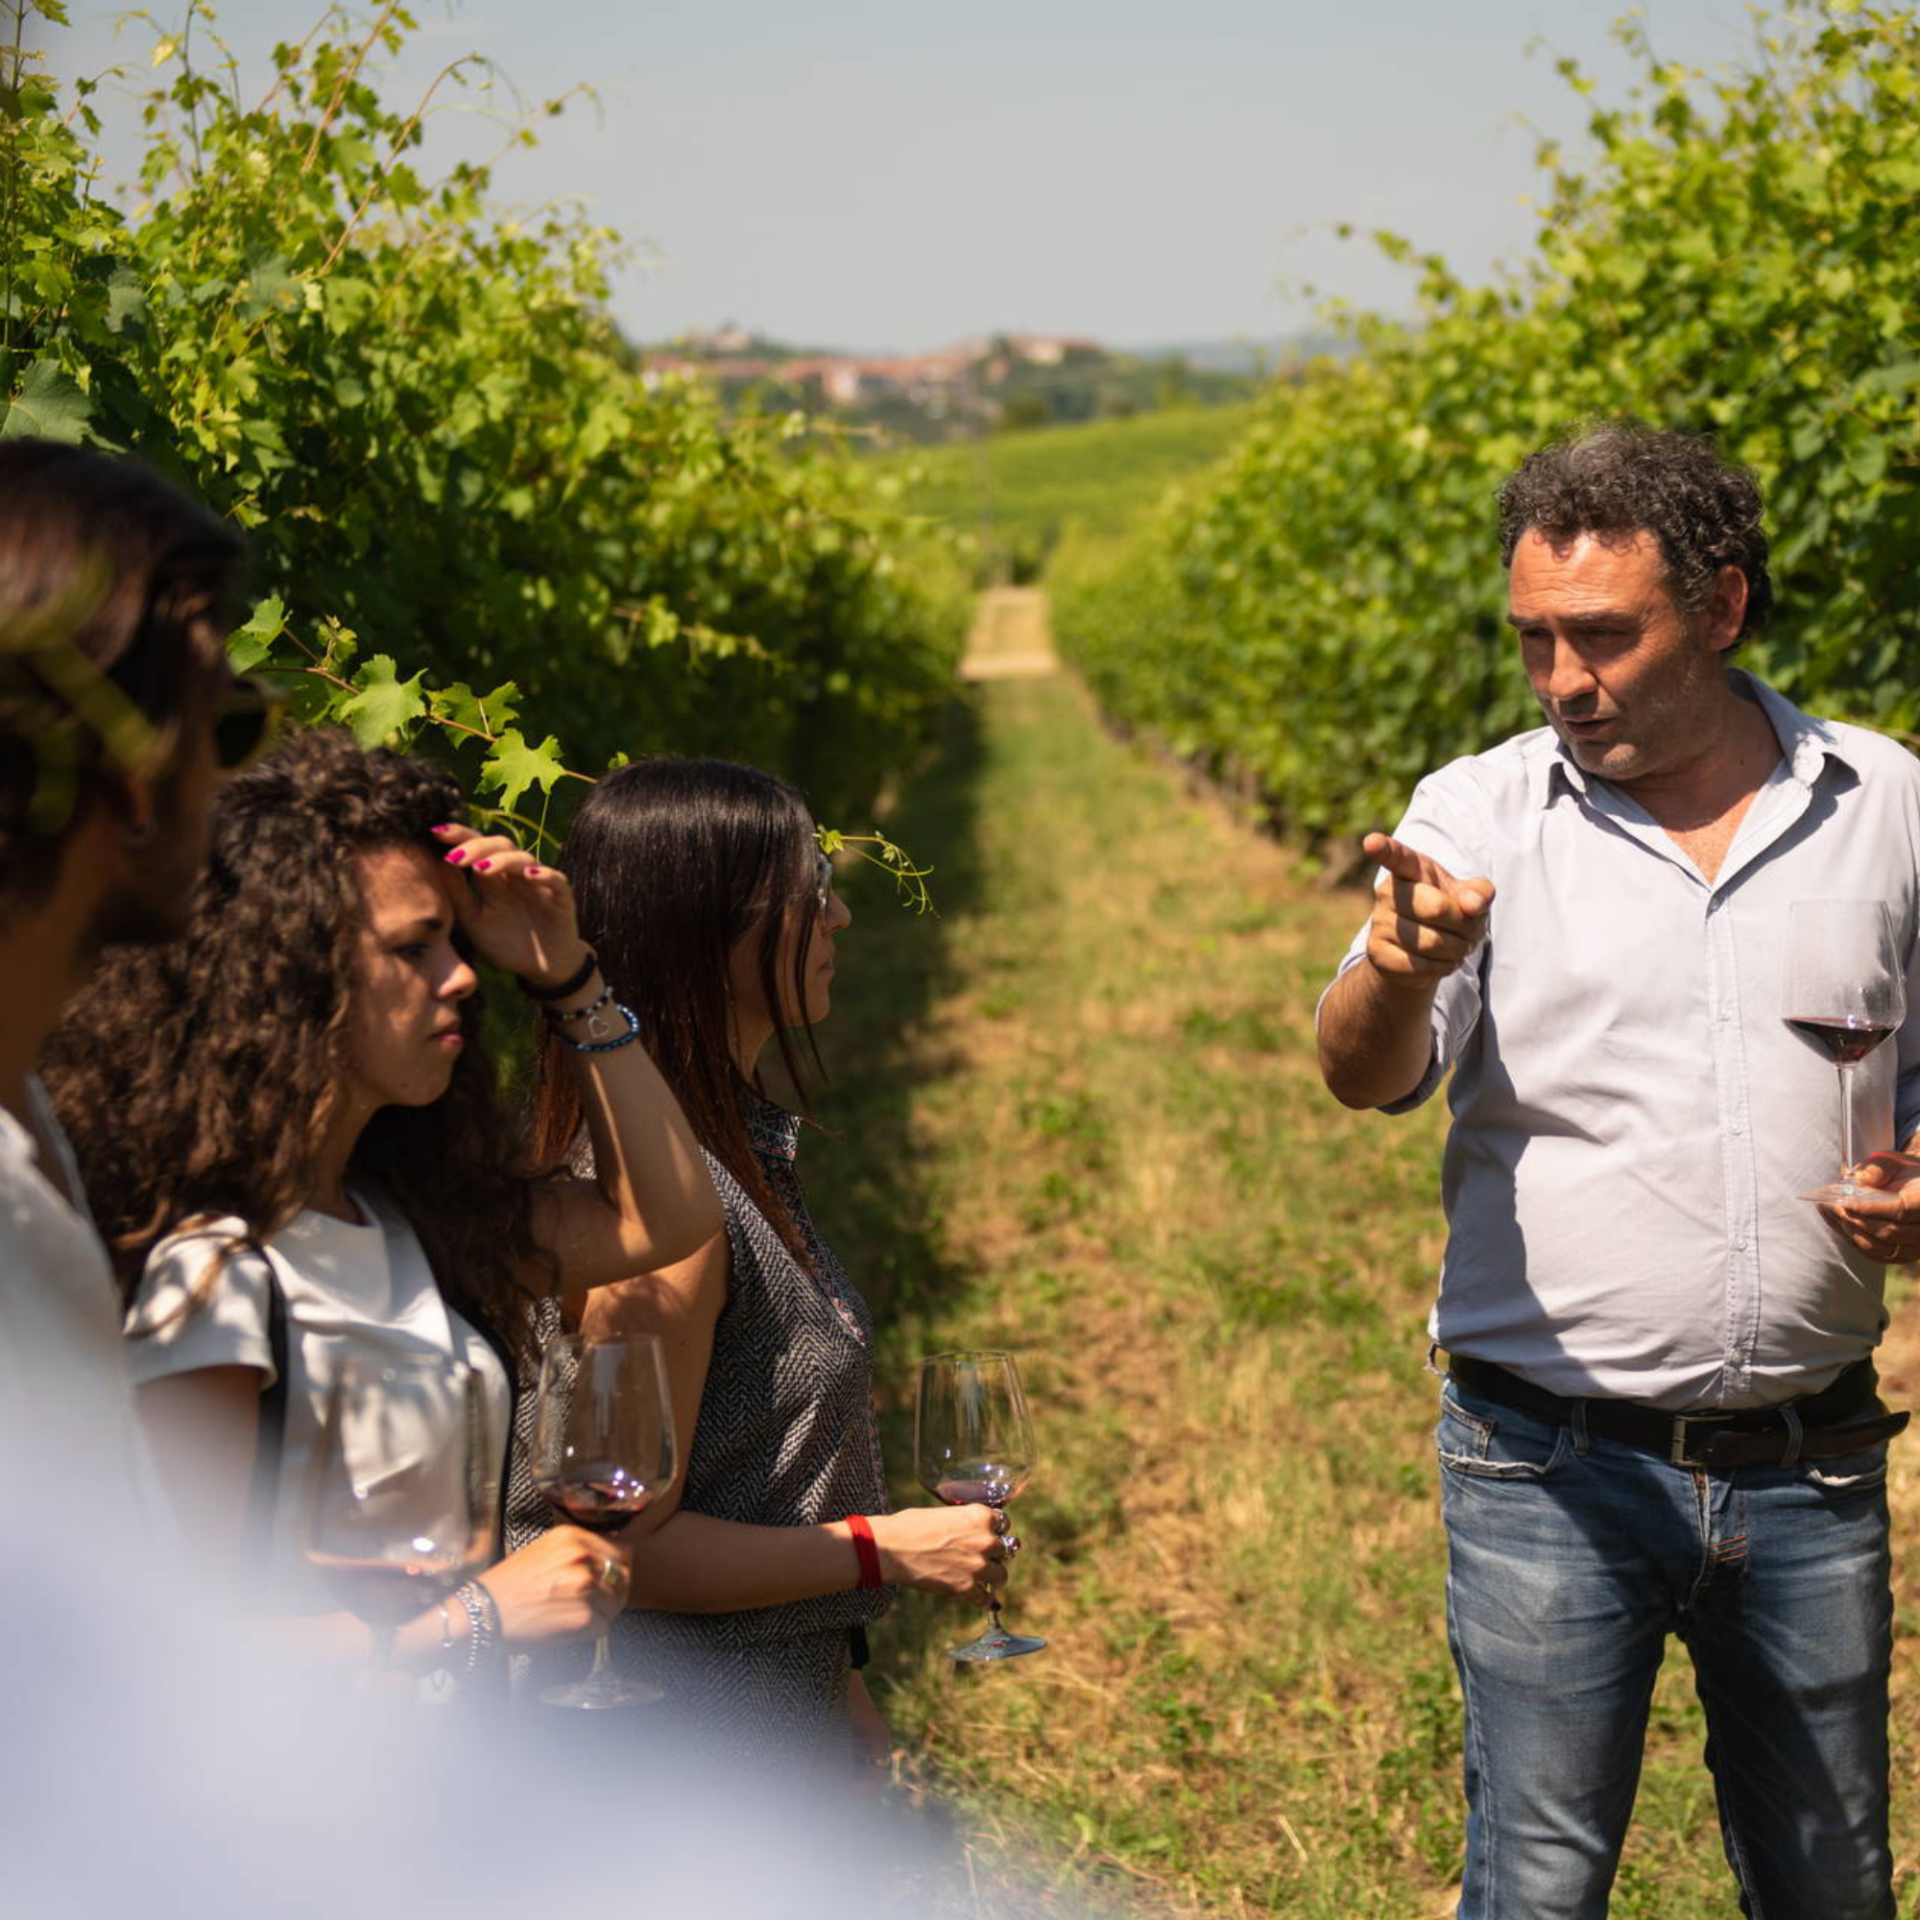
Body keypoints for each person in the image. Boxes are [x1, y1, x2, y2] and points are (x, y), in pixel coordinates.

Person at [1314, 421, 1920, 1920]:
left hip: (1813, 1463)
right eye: (1535, 640)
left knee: (1833, 1879)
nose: (1564, 681)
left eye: (1603, 636)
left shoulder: (1888, 803)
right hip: (1545, 1465)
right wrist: (1399, 966)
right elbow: (1364, 1073)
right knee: (1538, 1880)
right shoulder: (1480, 816)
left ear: (1720, 608)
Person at [43, 726, 726, 1689]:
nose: (458, 975)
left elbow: (666, 1217)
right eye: (413, 948)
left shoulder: (402, 1217)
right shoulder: (213, 1277)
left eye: (455, 941)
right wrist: (482, 1619)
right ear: (293, 975)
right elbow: (167, 1658)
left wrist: (568, 977)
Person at [513, 757, 1006, 1775]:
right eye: (810, 896)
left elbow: (760, 1474)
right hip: (678, 1756)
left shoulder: (730, 1151)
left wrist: (840, 1679)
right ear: (713, 930)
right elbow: (620, 1548)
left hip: (764, 1717)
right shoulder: (653, 1224)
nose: (841, 920)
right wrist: (887, 1547)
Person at [0, 439, 265, 1487]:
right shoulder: (10, 1213)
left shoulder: (31, 1121)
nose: (232, 775)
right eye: (229, 726)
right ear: (141, 774)